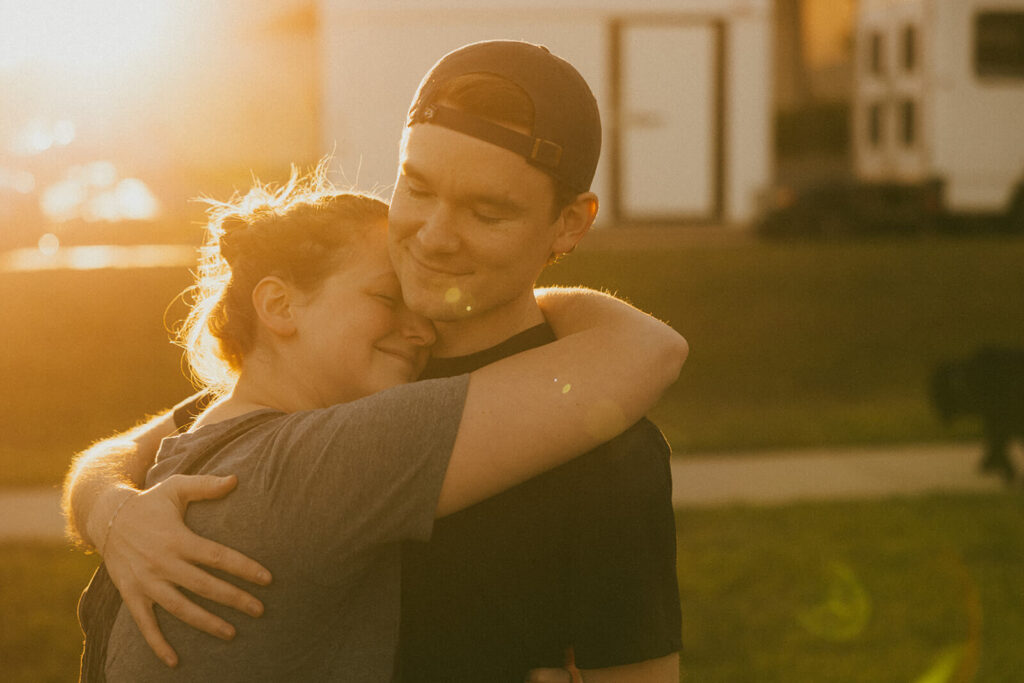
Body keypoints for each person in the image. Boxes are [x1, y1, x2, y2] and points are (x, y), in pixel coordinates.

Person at [63, 40, 685, 681]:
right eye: (416, 189)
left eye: (487, 211)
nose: (435, 236)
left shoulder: (603, 448)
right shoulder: (342, 384)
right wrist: (114, 511)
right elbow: (122, 453)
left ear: (569, 225)